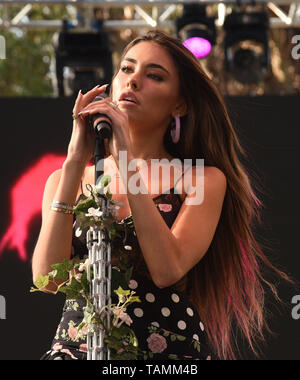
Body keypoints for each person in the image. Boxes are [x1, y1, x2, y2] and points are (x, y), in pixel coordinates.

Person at [32, 29, 290, 361]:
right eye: (126, 69)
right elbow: (46, 279)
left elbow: (167, 270)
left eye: (154, 76)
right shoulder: (67, 178)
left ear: (179, 103)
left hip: (165, 354)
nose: (133, 81)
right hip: (78, 348)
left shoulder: (202, 179)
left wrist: (125, 158)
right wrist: (73, 163)